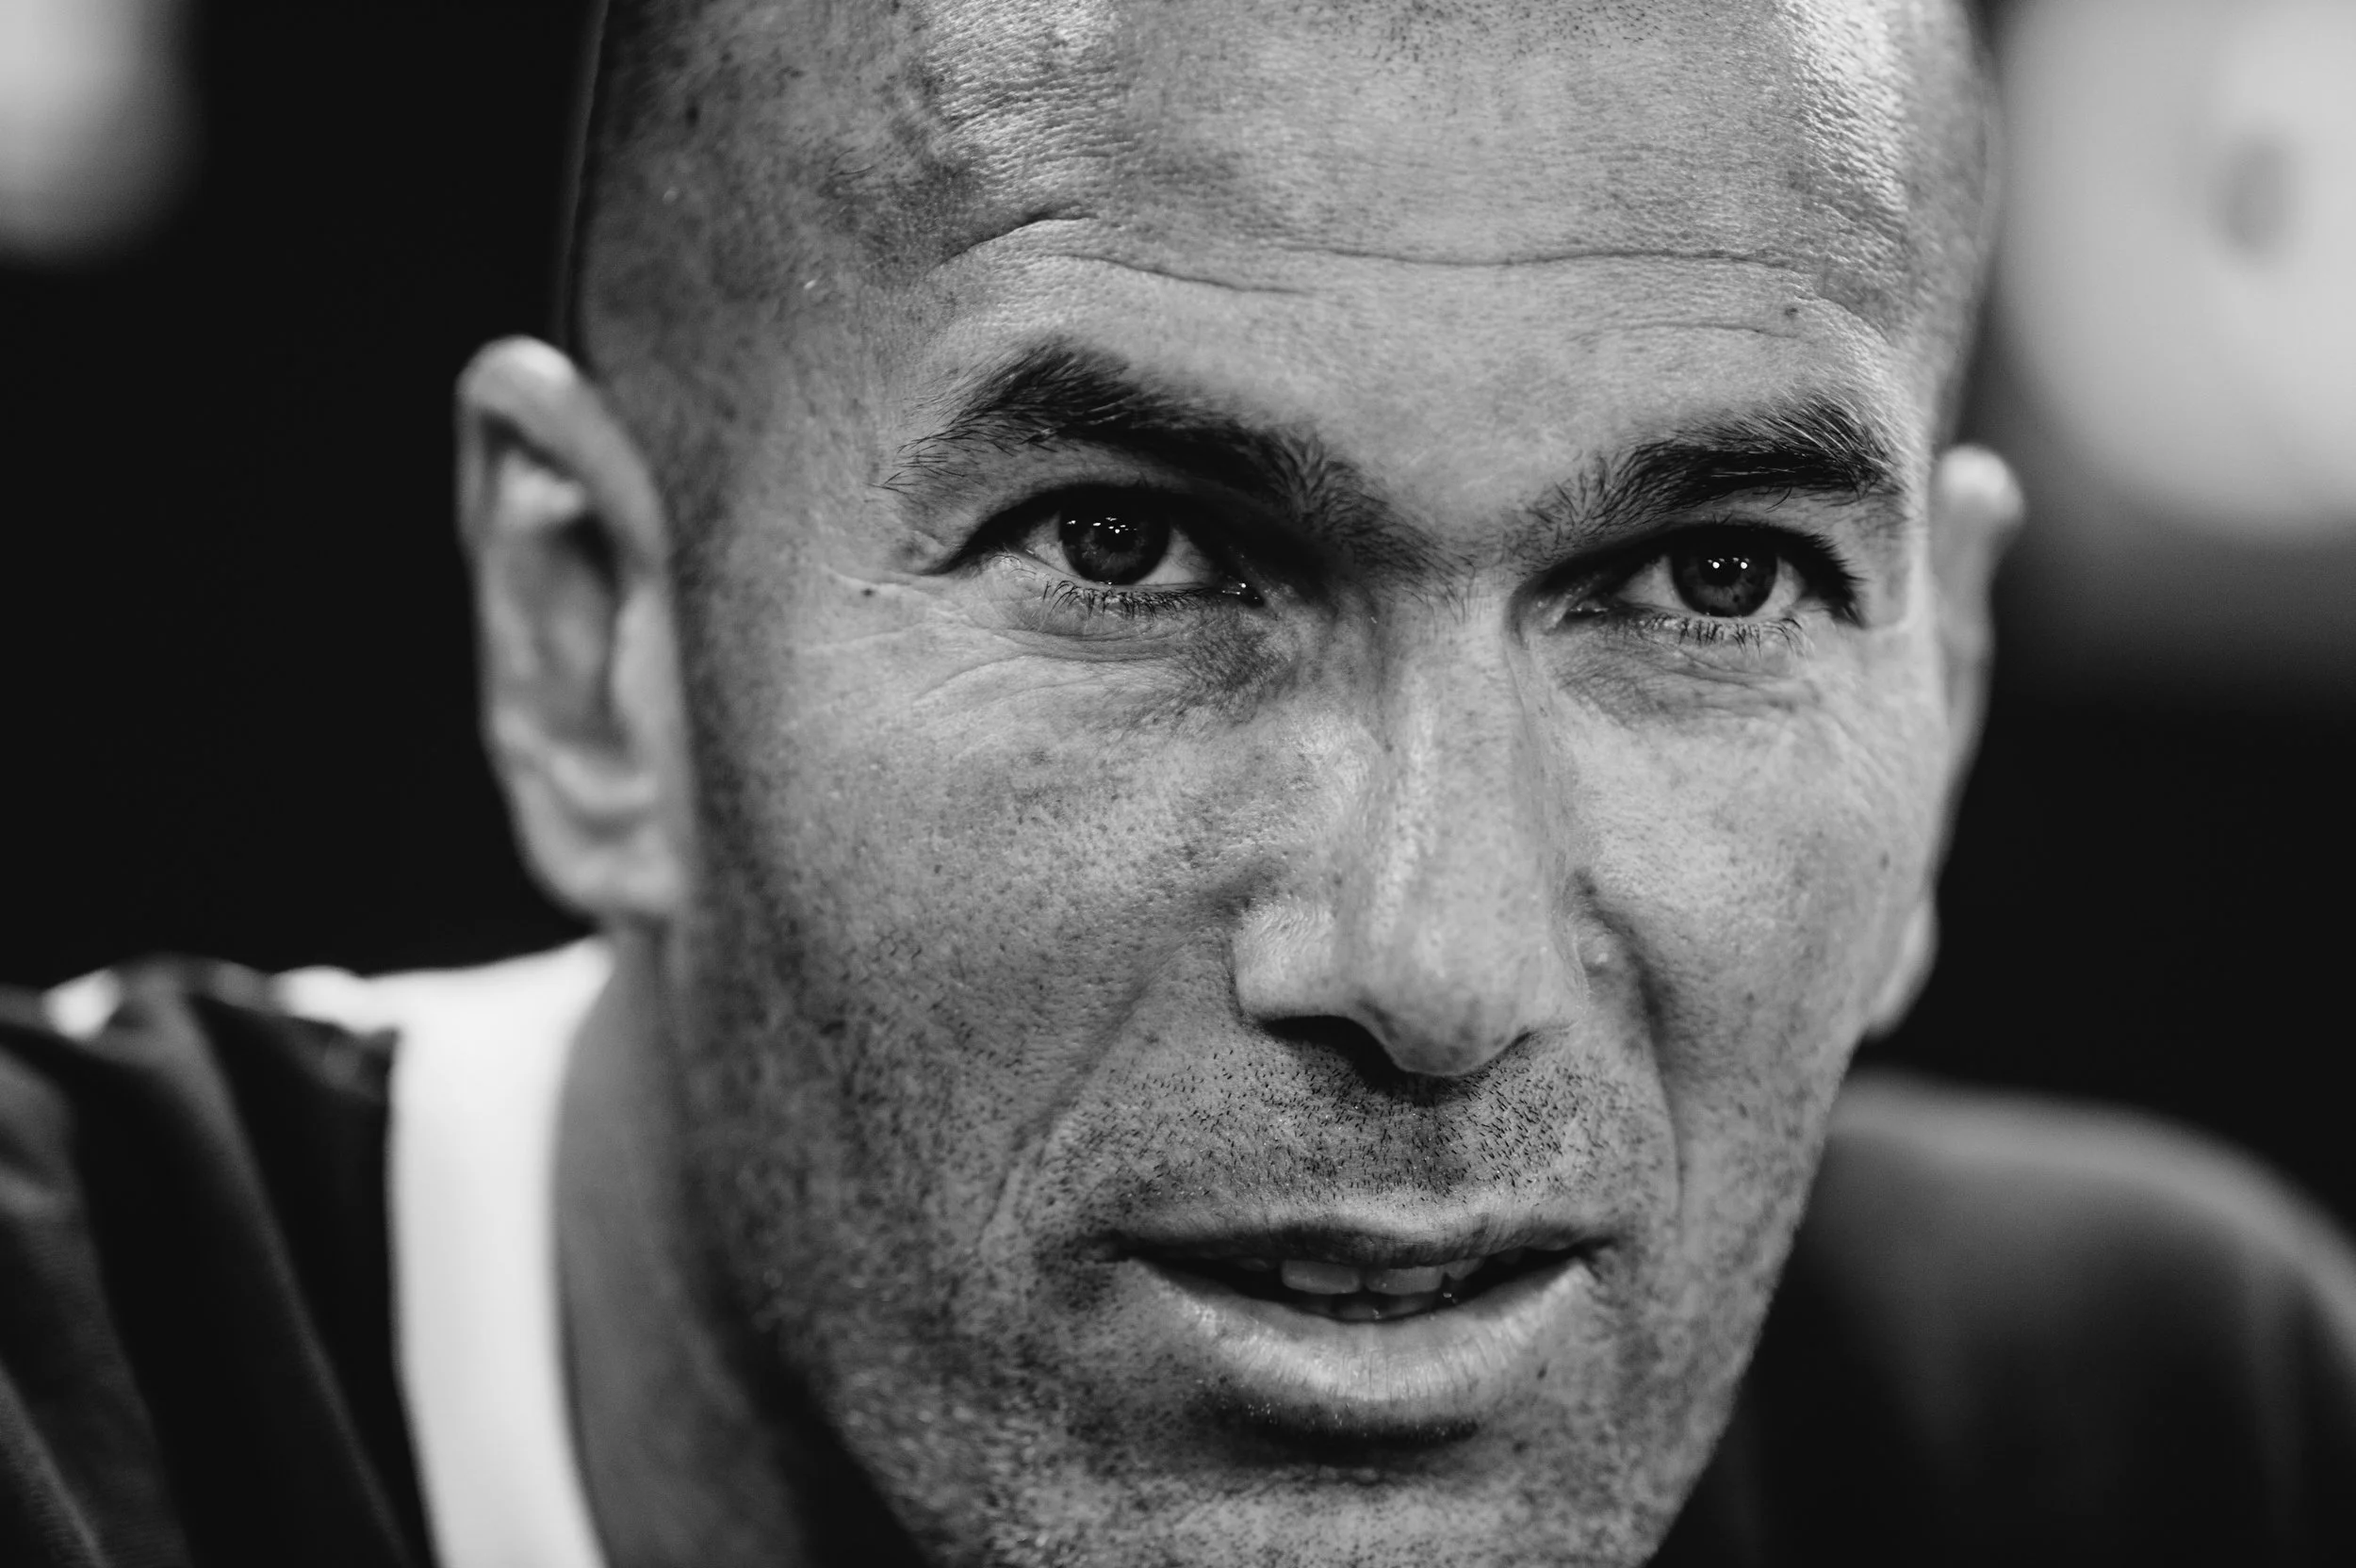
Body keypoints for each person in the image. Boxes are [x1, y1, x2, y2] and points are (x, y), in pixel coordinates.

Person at [3, 0, 2352, 1563]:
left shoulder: (2149, 1440)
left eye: (1708, 579)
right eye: (1125, 551)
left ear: (1941, 693)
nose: (1432, 961)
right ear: (587, 638)